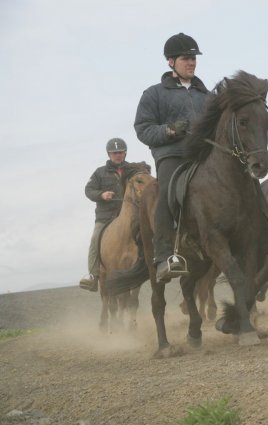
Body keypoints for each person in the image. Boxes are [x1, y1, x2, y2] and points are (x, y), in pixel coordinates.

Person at [133, 33, 209, 284]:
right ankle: (164, 257)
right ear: (170, 61)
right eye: (187, 58)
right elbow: (143, 129)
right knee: (166, 191)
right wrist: (170, 130)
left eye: (194, 58)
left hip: (204, 155)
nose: (192, 63)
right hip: (172, 155)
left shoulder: (205, 95)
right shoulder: (154, 94)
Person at [79, 138, 131, 291]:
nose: (118, 155)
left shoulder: (133, 170)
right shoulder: (99, 172)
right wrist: (102, 195)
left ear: (125, 153)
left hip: (129, 216)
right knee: (95, 239)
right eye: (114, 153)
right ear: (109, 154)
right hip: (105, 217)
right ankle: (93, 276)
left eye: (120, 152)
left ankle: (157, 262)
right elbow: (88, 190)